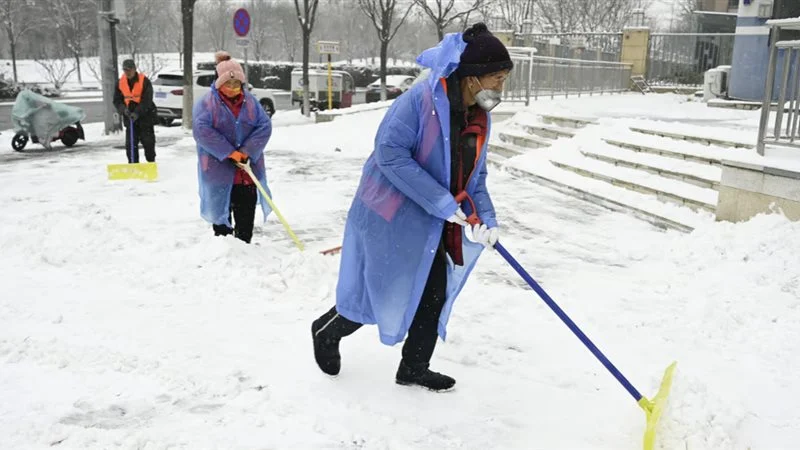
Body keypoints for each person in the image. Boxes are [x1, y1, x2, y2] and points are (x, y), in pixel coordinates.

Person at [311, 23, 512, 392]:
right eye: (496, 78)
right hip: (390, 215)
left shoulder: (480, 118)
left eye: (503, 79)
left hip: (434, 220)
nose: (500, 88)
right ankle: (326, 331)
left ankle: (414, 367)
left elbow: (476, 178)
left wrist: (487, 220)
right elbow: (389, 154)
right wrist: (440, 201)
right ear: (471, 78)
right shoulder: (419, 102)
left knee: (432, 291)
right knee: (381, 290)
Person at [192, 57, 273, 244]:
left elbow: (264, 127)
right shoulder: (206, 104)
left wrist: (246, 151)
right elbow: (202, 131)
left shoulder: (251, 103)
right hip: (217, 171)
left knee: (245, 221)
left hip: (246, 172)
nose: (233, 87)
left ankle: (245, 252)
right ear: (219, 83)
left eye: (237, 83)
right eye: (228, 83)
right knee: (221, 222)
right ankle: (225, 254)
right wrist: (229, 152)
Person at [113, 59, 157, 163]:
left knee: (148, 143)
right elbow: (117, 100)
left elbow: (147, 100)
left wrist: (137, 112)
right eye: (125, 70)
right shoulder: (120, 83)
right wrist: (124, 110)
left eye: (129, 69)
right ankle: (133, 165)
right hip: (130, 119)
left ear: (134, 69)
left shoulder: (145, 81)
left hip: (145, 117)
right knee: (131, 145)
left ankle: (151, 163)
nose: (127, 72)